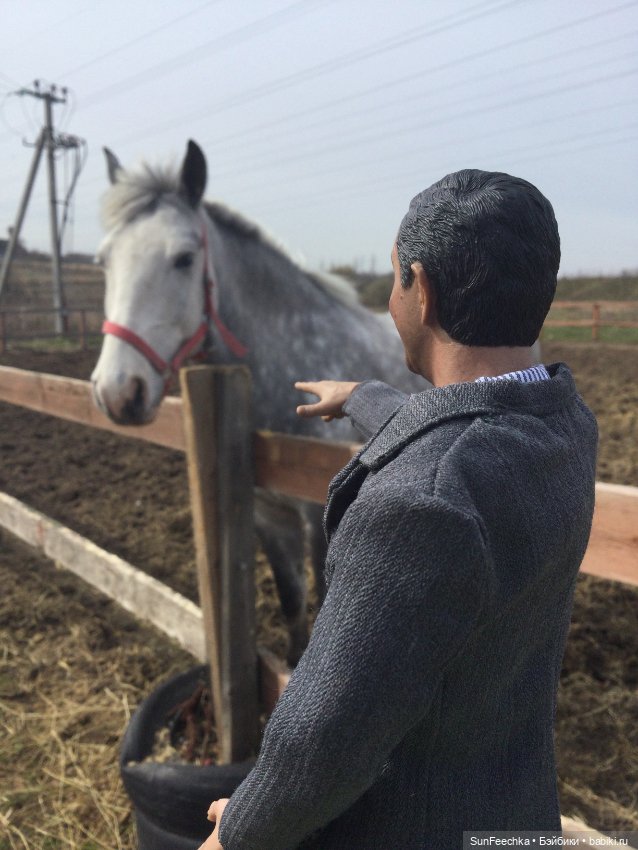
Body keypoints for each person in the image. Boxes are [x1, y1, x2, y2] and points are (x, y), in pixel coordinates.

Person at [198, 169, 598, 850]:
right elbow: (462, 424)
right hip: (513, 815)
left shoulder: (421, 504)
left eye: (393, 281)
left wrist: (237, 831)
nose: (391, 299)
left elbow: (321, 740)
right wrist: (363, 395)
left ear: (422, 289)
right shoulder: (563, 425)